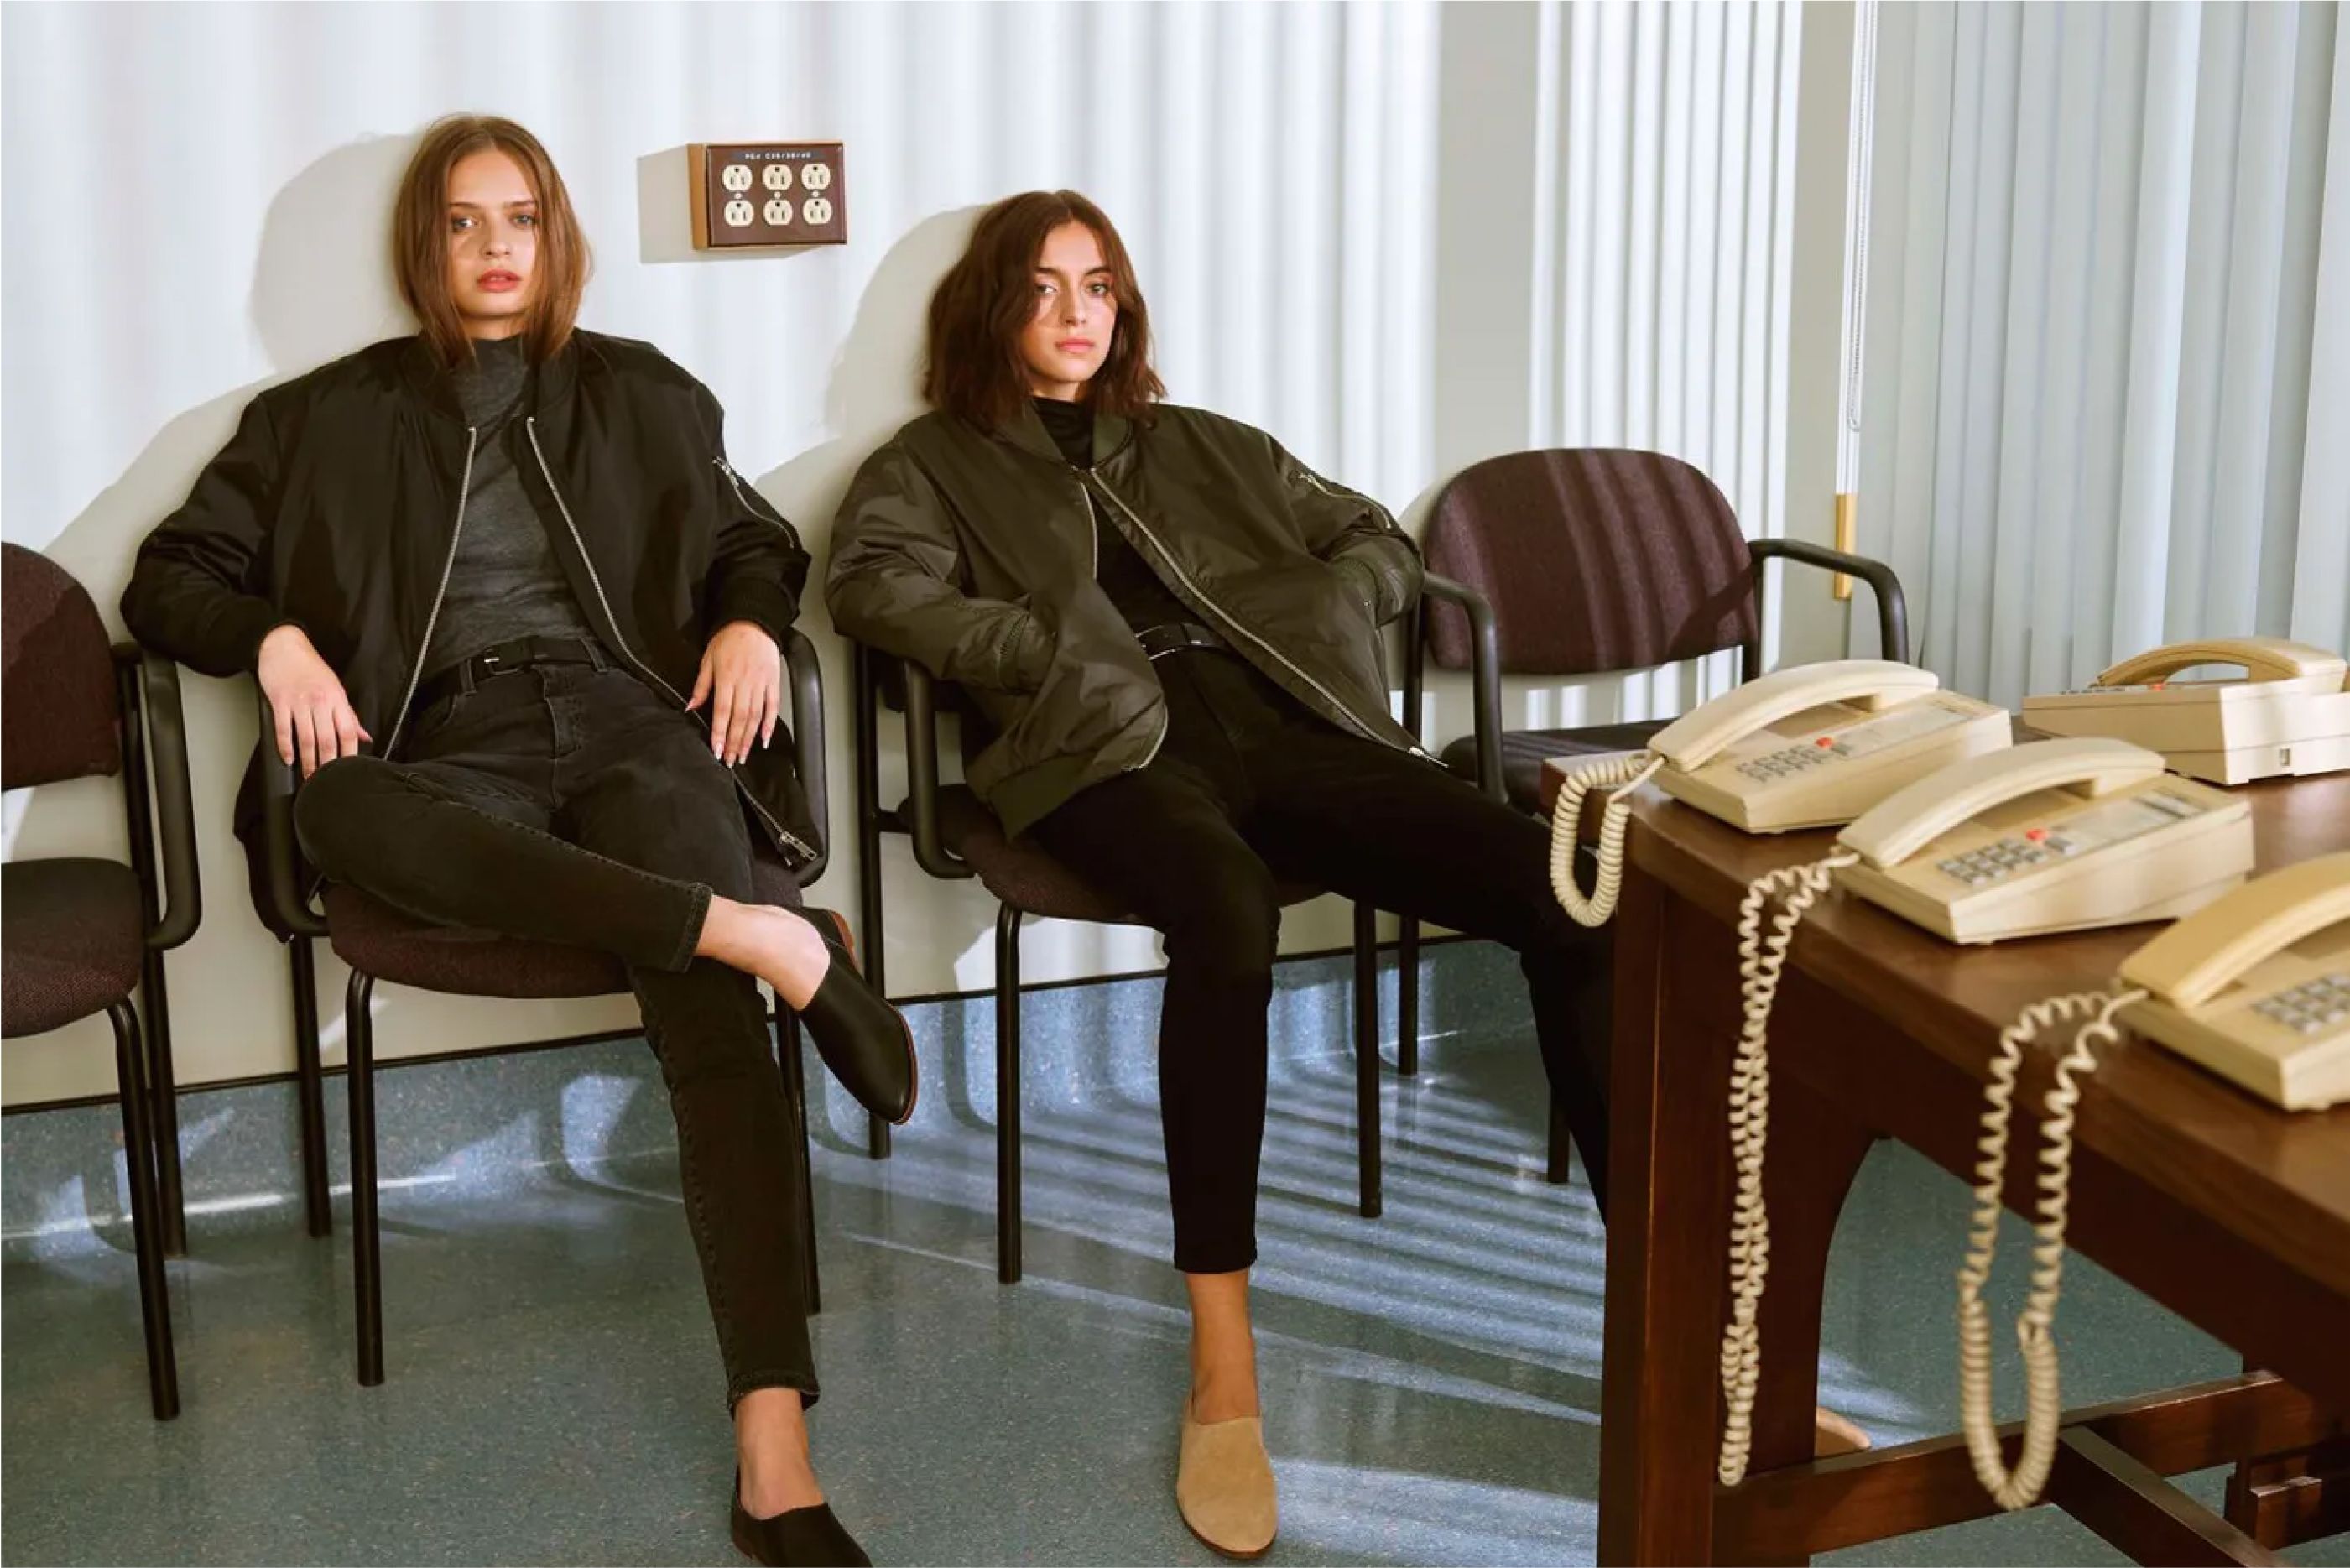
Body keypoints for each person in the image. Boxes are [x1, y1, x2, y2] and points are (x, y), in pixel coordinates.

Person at [123, 115, 901, 1568]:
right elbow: (173, 578)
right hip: (447, 742)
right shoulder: (320, 416)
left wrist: (747, 618)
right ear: (423, 246)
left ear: (558, 241)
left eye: (522, 219)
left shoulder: (648, 394)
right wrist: (275, 638)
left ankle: (773, 1437)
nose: (494, 248)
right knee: (340, 806)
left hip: (631, 723)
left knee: (710, 1025)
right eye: (465, 222)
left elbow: (753, 542)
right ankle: (755, 931)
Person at [826, 190, 1618, 1559]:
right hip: (1100, 753)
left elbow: (1372, 539)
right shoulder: (932, 463)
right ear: (990, 308)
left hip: (1289, 723)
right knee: (1228, 914)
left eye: (1099, 286)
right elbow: (872, 587)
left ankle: (1678, 1323)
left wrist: (1310, 609)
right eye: (1042, 287)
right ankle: (1223, 1356)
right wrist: (1041, 650)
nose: (1077, 314)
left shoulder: (1202, 444)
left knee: (1567, 888)